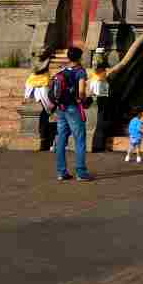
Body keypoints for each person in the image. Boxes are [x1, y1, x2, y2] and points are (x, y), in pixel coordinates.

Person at [50, 46, 93, 182]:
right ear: (80, 57)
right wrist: (86, 99)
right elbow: (81, 92)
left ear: (68, 57)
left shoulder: (63, 71)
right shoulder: (80, 71)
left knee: (61, 139)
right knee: (79, 139)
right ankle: (81, 172)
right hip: (73, 108)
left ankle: (61, 172)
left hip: (61, 108)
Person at [24, 49, 55, 152]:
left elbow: (43, 69)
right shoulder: (35, 62)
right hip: (33, 85)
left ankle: (47, 139)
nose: (41, 53)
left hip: (44, 84)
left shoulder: (46, 62)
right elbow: (36, 70)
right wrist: (47, 60)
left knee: (46, 110)